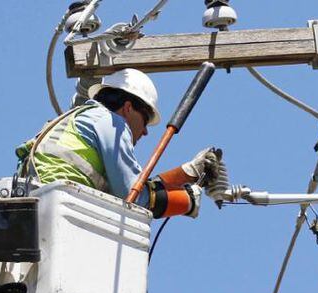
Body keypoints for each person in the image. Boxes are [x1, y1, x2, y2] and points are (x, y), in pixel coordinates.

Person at [16, 69, 217, 218]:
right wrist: (187, 202)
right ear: (128, 108)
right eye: (145, 120)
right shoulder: (111, 123)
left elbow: (136, 186)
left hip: (36, 209)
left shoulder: (78, 118)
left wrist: (186, 173)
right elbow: (135, 197)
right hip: (63, 210)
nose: (146, 131)